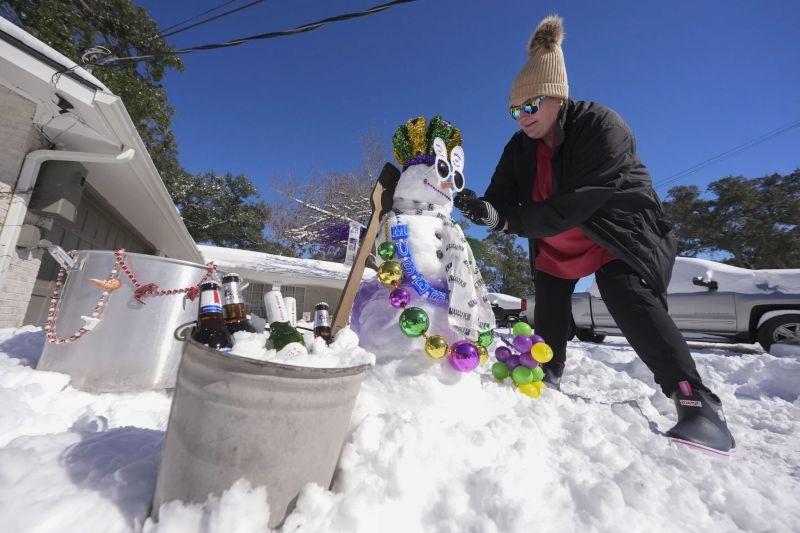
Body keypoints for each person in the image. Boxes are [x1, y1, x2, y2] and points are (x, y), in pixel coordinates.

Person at [455, 15, 735, 454]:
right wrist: (487, 210)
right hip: (556, 238)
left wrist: (510, 220)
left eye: (531, 107)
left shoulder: (602, 127)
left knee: (624, 293)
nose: (522, 118)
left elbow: (580, 202)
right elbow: (502, 198)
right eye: (515, 110)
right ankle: (547, 371)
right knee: (549, 298)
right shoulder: (518, 147)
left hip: (618, 231)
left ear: (557, 98)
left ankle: (697, 402)